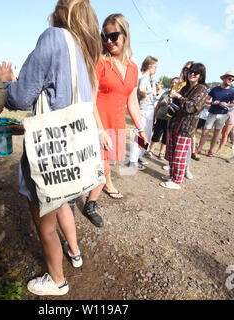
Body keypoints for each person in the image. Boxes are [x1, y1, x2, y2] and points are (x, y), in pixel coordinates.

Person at [0, 0, 110, 296]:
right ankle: (74, 252)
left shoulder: (53, 37)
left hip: (51, 154)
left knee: (46, 221)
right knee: (63, 201)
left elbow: (21, 99)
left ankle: (57, 281)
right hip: (72, 153)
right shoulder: (85, 50)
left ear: (60, 11)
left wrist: (6, 82)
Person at [82, 13, 146, 227]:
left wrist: (140, 127)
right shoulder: (100, 62)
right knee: (98, 166)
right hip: (98, 123)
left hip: (117, 124)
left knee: (108, 165)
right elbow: (90, 99)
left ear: (125, 35)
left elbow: (133, 101)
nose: (109, 42)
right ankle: (89, 204)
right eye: (105, 37)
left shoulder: (133, 67)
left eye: (113, 36)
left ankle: (92, 198)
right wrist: (100, 130)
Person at [160, 63, 208, 189]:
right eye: (190, 71)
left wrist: (179, 97)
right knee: (171, 153)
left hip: (186, 127)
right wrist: (172, 105)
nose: (192, 74)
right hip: (174, 124)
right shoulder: (185, 87)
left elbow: (191, 107)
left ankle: (177, 181)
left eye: (196, 72)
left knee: (179, 156)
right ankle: (172, 175)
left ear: (201, 75)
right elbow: (178, 105)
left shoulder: (202, 89)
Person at [195, 71, 234, 157]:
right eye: (229, 79)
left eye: (232, 80)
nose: (231, 81)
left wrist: (227, 104)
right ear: (224, 78)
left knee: (217, 134)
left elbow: (233, 104)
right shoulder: (215, 89)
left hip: (223, 115)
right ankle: (199, 149)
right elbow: (206, 100)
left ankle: (210, 151)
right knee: (205, 132)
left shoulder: (232, 91)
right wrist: (212, 102)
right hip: (212, 113)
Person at [129, 56, 159, 169]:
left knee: (145, 135)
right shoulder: (143, 78)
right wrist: (144, 95)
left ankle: (138, 157)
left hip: (149, 110)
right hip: (144, 110)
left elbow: (155, 94)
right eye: (155, 67)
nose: (156, 69)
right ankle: (133, 160)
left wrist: (153, 79)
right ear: (150, 66)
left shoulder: (148, 79)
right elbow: (141, 89)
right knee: (140, 135)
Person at [148, 77, 179, 159]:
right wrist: (154, 116)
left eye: (176, 83)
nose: (173, 84)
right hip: (160, 118)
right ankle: (151, 150)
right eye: (172, 82)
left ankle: (161, 153)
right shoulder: (165, 94)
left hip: (170, 120)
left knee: (166, 137)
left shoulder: (179, 95)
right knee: (156, 135)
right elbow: (158, 106)